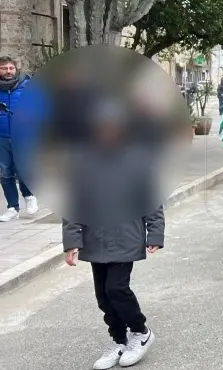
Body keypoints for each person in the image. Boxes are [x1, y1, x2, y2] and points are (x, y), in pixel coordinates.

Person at [63, 100, 165, 369]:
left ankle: (141, 333)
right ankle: (119, 340)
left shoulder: (138, 159)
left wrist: (154, 233)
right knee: (103, 296)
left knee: (116, 288)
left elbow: (151, 200)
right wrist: (73, 241)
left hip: (126, 234)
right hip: (95, 238)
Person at [0, 55, 36, 221]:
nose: (8, 71)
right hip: (2, 137)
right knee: (5, 173)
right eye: (4, 68)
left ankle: (29, 196)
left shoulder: (28, 85)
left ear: (16, 69)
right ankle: (12, 207)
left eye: (10, 68)